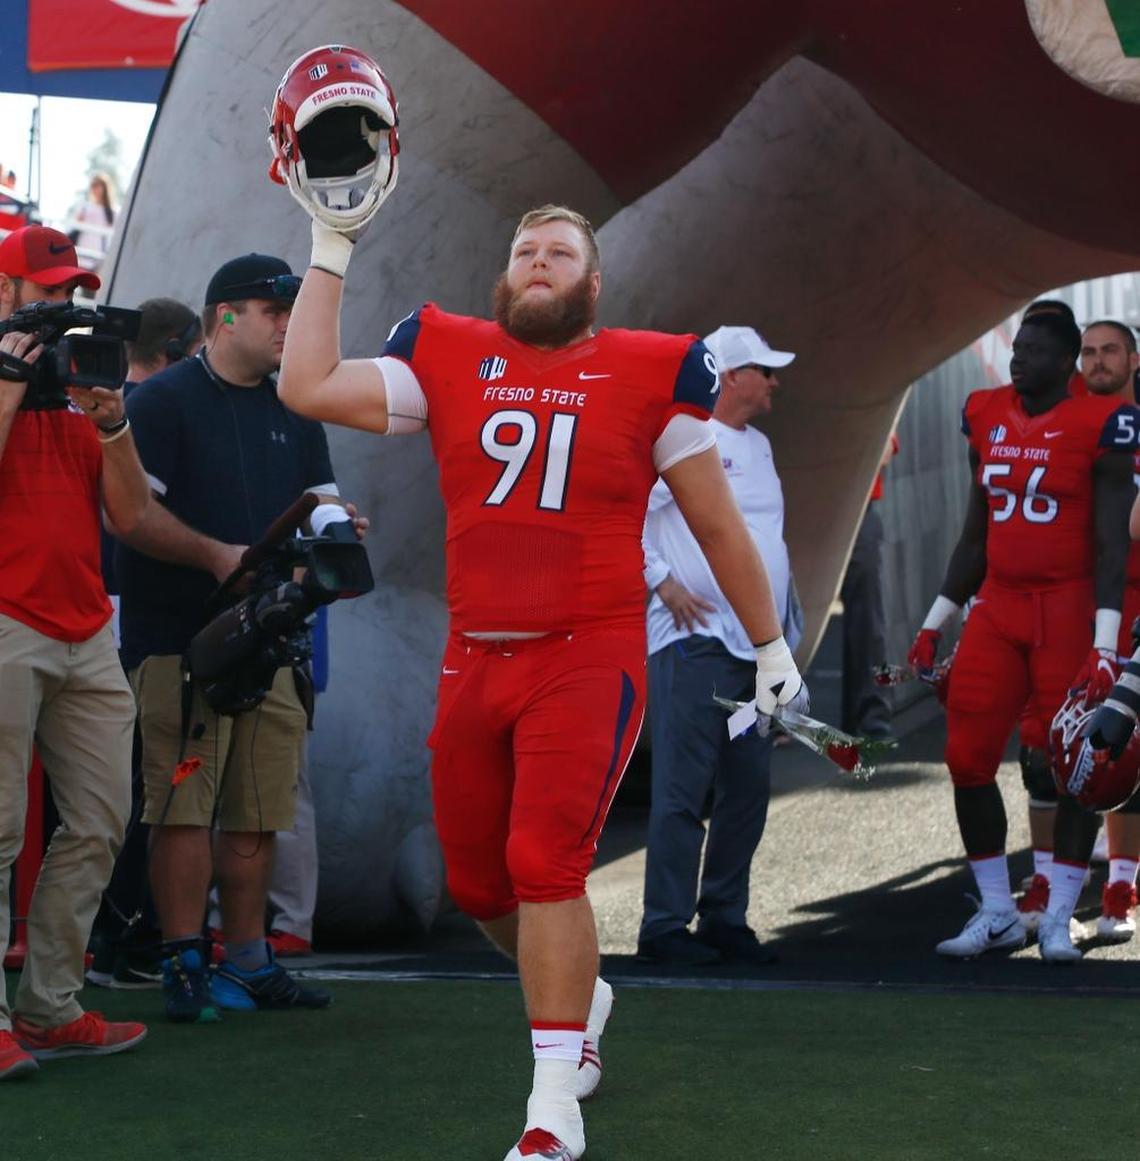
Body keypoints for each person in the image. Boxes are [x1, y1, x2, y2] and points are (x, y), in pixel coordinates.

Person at [277, 188, 807, 1158]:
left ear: (592, 284)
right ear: (503, 272)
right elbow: (305, 385)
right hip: (476, 654)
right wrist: (331, 245)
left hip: (587, 655)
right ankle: (580, 996)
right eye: (526, 248)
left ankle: (552, 1101)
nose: (539, 259)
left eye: (560, 251)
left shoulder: (650, 371)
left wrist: (770, 643)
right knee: (479, 885)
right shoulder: (446, 353)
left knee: (546, 863)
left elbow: (713, 520)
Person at [114, 253, 356, 1023]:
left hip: (272, 640)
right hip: (177, 640)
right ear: (224, 316)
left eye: (293, 311)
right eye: (272, 311)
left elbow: (321, 501)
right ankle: (185, 960)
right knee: (183, 804)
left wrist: (337, 531)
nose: (290, 324)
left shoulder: (298, 402)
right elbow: (128, 520)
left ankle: (248, 961)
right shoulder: (161, 400)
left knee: (257, 808)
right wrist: (218, 554)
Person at [908, 303, 1138, 962]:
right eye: (1019, 347)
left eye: (1036, 350)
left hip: (1067, 608)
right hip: (1001, 605)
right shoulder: (982, 411)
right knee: (966, 757)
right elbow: (975, 532)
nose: (1020, 357)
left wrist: (1104, 641)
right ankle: (999, 909)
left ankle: (1060, 914)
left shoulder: (1104, 421)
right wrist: (935, 621)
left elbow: (1110, 543)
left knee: (1078, 764)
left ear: (1066, 362)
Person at [0, 225, 150, 1079]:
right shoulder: (13, 376)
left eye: (69, 292)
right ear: (4, 293)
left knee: (98, 820)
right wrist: (11, 379)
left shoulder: (80, 381)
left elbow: (126, 517)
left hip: (85, 626)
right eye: (46, 291)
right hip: (7, 616)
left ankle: (50, 1006)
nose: (62, 307)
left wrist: (116, 421)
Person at [637, 324, 797, 968]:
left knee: (747, 787)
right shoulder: (679, 435)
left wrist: (785, 632)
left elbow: (771, 543)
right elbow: (623, 515)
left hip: (753, 651)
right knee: (684, 786)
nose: (775, 381)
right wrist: (661, 581)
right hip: (692, 643)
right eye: (764, 369)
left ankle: (724, 916)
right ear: (730, 376)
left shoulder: (758, 445)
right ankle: (664, 927)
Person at [86, 296, 204, 991]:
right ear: (174, 348)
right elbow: (131, 520)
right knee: (137, 786)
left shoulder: (113, 404)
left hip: (98, 615)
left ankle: (116, 935)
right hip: (121, 620)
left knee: (128, 786)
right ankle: (121, 934)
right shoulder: (149, 408)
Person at [1072, 319, 1140, 944]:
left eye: (1110, 349)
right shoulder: (1067, 420)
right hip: (1104, 600)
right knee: (1107, 735)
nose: (1098, 361)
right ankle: (1119, 878)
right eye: (1088, 351)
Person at [840, 429, 899, 739]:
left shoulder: (858, 387)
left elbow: (886, 448)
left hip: (859, 509)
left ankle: (871, 715)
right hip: (810, 505)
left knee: (867, 617)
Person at [70, 173, 116, 266]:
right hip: (81, 254)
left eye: (97, 185)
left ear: (105, 188)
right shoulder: (84, 207)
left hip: (99, 258)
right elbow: (74, 226)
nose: (94, 189)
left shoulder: (113, 212)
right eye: (92, 186)